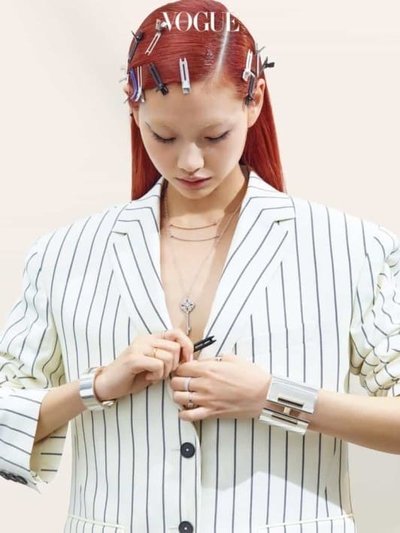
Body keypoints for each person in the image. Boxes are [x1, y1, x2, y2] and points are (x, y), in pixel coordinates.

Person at [0, 0, 399, 532]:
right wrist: (95, 387)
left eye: (214, 136)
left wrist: (273, 397)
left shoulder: (352, 247)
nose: (190, 162)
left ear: (255, 102)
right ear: (133, 110)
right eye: (163, 137)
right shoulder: (64, 255)